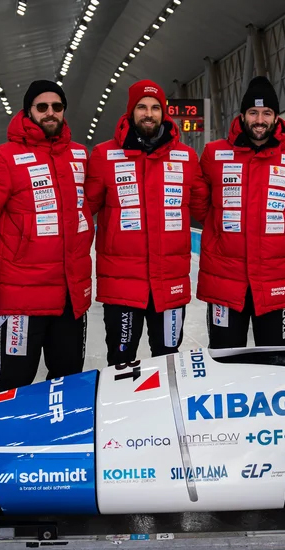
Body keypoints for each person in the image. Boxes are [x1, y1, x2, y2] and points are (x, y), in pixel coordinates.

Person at [0, 80, 93, 392]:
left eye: (57, 107)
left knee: (68, 379)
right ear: (28, 111)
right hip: (20, 298)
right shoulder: (1, 158)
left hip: (69, 297)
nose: (50, 113)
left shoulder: (79, 155)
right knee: (13, 383)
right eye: (42, 107)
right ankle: (2, 437)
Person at [85, 80, 200, 366]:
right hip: (122, 286)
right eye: (141, 107)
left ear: (164, 113)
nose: (148, 114)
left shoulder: (186, 158)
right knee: (121, 363)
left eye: (155, 108)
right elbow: (84, 212)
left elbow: (207, 209)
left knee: (169, 363)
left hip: (170, 285)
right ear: (130, 111)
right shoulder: (103, 155)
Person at [191, 76, 285, 348]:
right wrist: (218, 232)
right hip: (225, 280)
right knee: (223, 359)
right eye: (254, 113)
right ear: (242, 115)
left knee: (275, 362)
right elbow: (200, 204)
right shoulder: (214, 153)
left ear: (276, 117)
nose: (260, 120)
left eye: (266, 113)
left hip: (275, 280)